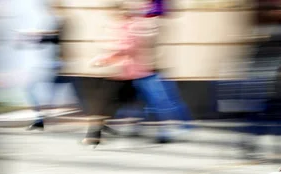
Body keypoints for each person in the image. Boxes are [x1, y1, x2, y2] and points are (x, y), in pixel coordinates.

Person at [84, 0, 175, 145]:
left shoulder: (133, 26)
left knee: (150, 103)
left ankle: (163, 132)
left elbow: (126, 48)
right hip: (132, 73)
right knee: (143, 103)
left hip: (136, 73)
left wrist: (104, 59)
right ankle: (98, 133)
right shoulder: (129, 25)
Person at [19, 1, 83, 131]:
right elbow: (49, 39)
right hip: (58, 65)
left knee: (79, 96)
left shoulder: (68, 20)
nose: (49, 9)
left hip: (65, 66)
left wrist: (39, 35)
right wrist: (33, 38)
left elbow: (59, 37)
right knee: (34, 89)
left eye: (52, 6)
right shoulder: (56, 20)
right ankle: (40, 120)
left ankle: (100, 123)